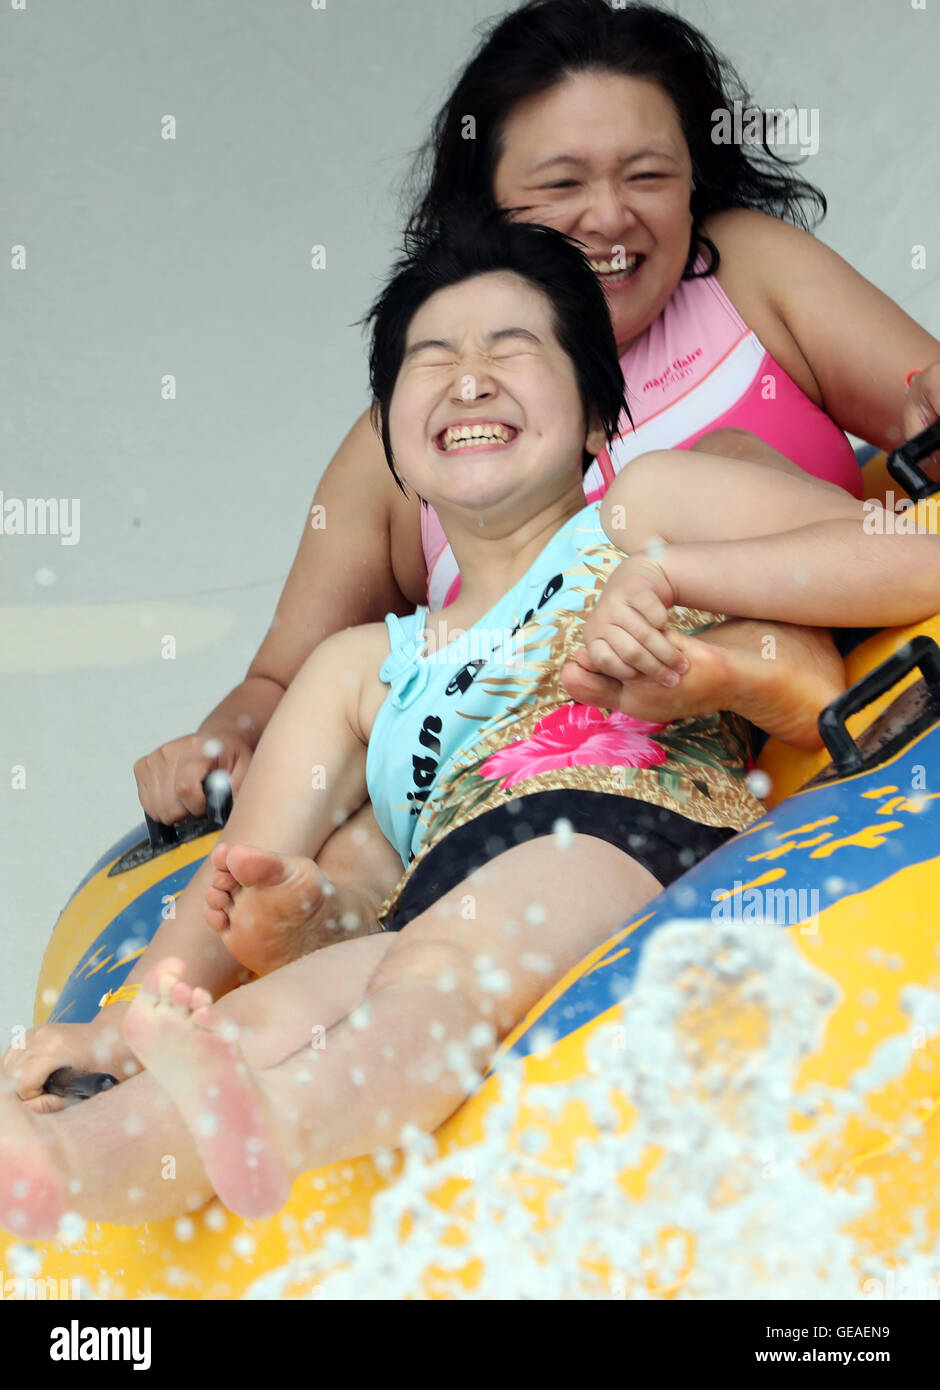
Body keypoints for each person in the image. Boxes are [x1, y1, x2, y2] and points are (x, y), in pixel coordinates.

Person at [3, 211, 939, 1233]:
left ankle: (276, 1116)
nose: (469, 377)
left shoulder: (644, 511)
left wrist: (676, 576)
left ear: (594, 417)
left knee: (444, 971)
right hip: (431, 894)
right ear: (395, 443)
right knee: (276, 1008)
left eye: (514, 347)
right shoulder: (360, 668)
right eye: (431, 356)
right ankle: (60, 1162)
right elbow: (240, 870)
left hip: (620, 825)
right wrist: (112, 1033)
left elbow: (908, 557)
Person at [131, 1, 940, 958]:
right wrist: (219, 741)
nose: (608, 217)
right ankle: (297, 956)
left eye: (648, 176)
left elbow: (922, 422)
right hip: (532, 799)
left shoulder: (749, 273)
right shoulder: (423, 429)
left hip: (789, 708)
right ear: (485, 207)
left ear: (693, 182)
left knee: (716, 476)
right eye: (561, 183)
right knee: (358, 826)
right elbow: (288, 676)